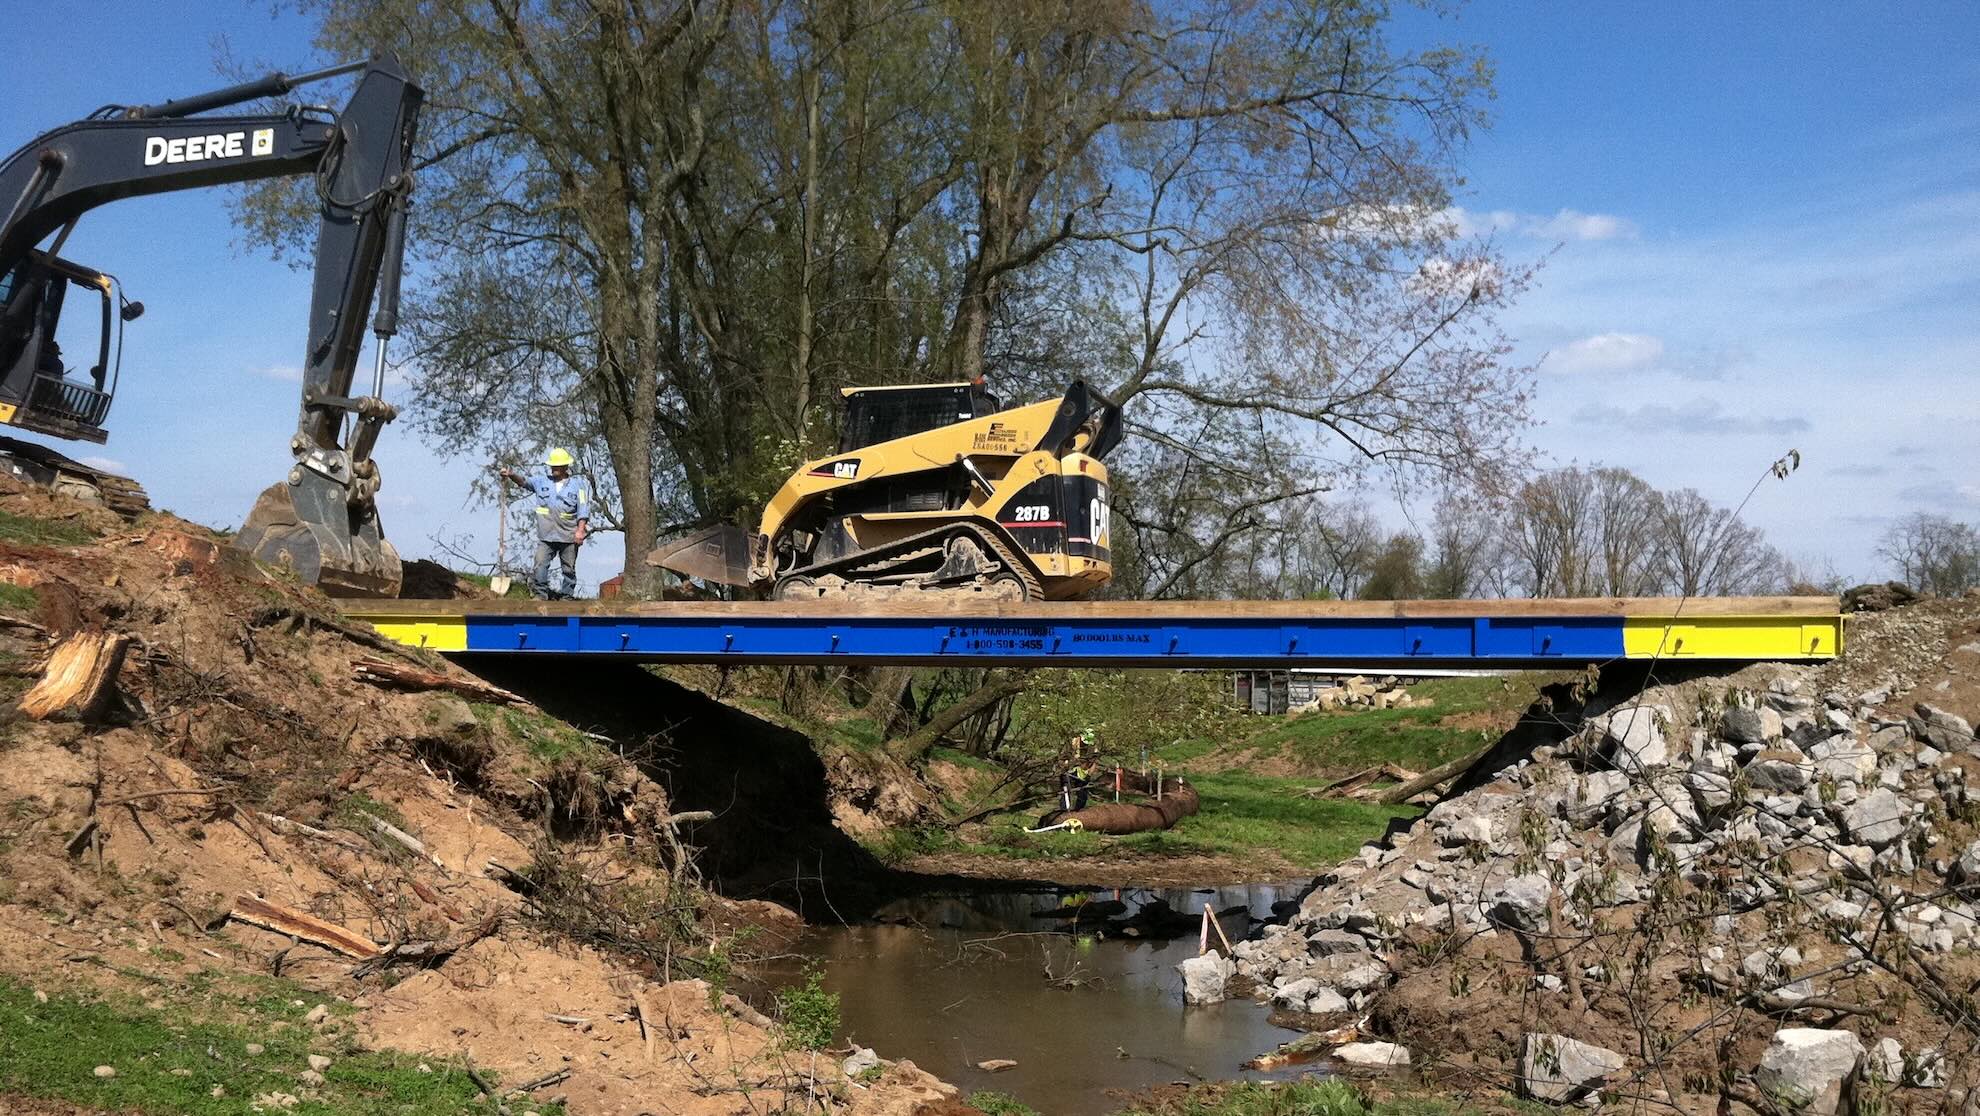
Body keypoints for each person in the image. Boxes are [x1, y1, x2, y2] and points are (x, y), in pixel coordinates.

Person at [500, 448, 590, 600]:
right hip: (546, 535)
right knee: (540, 563)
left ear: (565, 467)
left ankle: (566, 597)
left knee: (568, 568)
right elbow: (523, 482)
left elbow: (583, 509)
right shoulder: (541, 481)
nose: (553, 468)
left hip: (568, 535)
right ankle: (540, 594)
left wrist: (580, 531)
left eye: (557, 466)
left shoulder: (578, 485)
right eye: (552, 465)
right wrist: (511, 475)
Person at [1061, 729, 1094, 811]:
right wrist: (1066, 765)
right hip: (1070, 771)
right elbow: (1063, 758)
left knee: (1083, 793)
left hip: (1082, 773)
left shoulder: (1092, 747)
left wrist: (1089, 774)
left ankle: (1078, 810)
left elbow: (1094, 762)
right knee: (1066, 790)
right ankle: (1064, 810)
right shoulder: (1072, 743)